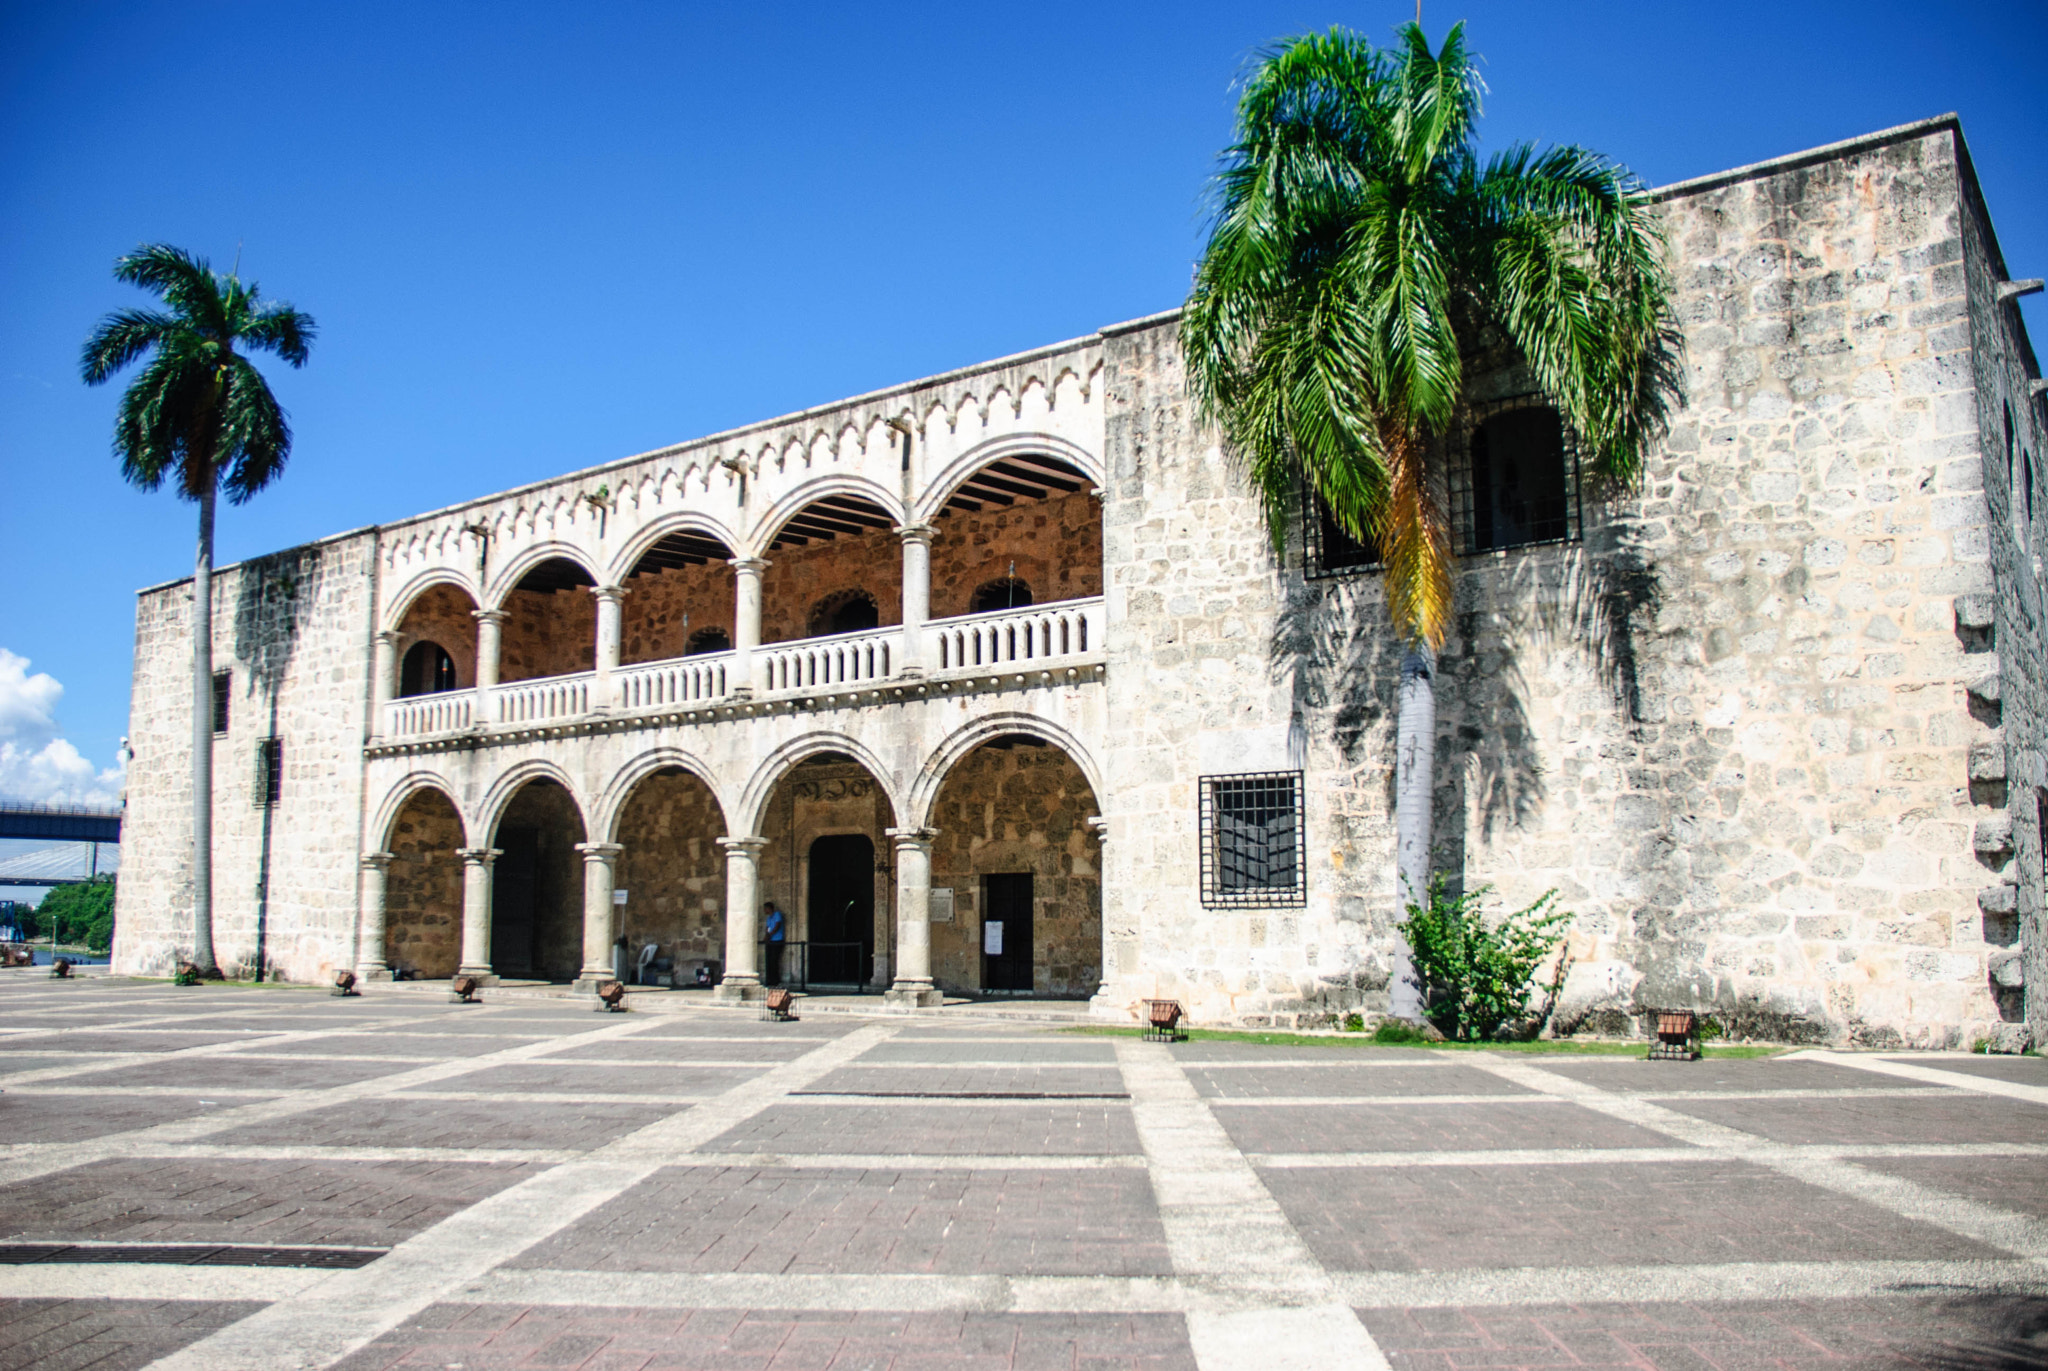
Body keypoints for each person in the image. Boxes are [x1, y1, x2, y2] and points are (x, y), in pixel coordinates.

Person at [763, 900, 786, 987]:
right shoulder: (769, 918)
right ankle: (770, 980)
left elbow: (777, 925)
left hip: (777, 940)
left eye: (765, 909)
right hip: (771, 941)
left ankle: (776, 980)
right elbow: (767, 928)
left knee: (774, 960)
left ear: (769, 908)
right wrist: (766, 935)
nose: (765, 910)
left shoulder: (777, 915)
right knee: (769, 960)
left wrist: (770, 935)